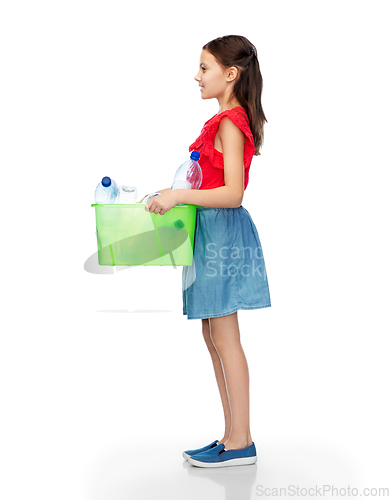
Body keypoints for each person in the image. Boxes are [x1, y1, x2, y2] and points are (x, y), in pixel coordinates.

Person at [142, 35, 271, 468]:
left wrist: (178, 197)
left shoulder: (232, 122)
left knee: (225, 337)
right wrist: (175, 194)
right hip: (210, 232)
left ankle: (242, 443)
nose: (196, 76)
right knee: (212, 334)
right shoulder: (222, 120)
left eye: (204, 68)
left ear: (230, 74)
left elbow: (232, 193)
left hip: (223, 235)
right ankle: (232, 435)